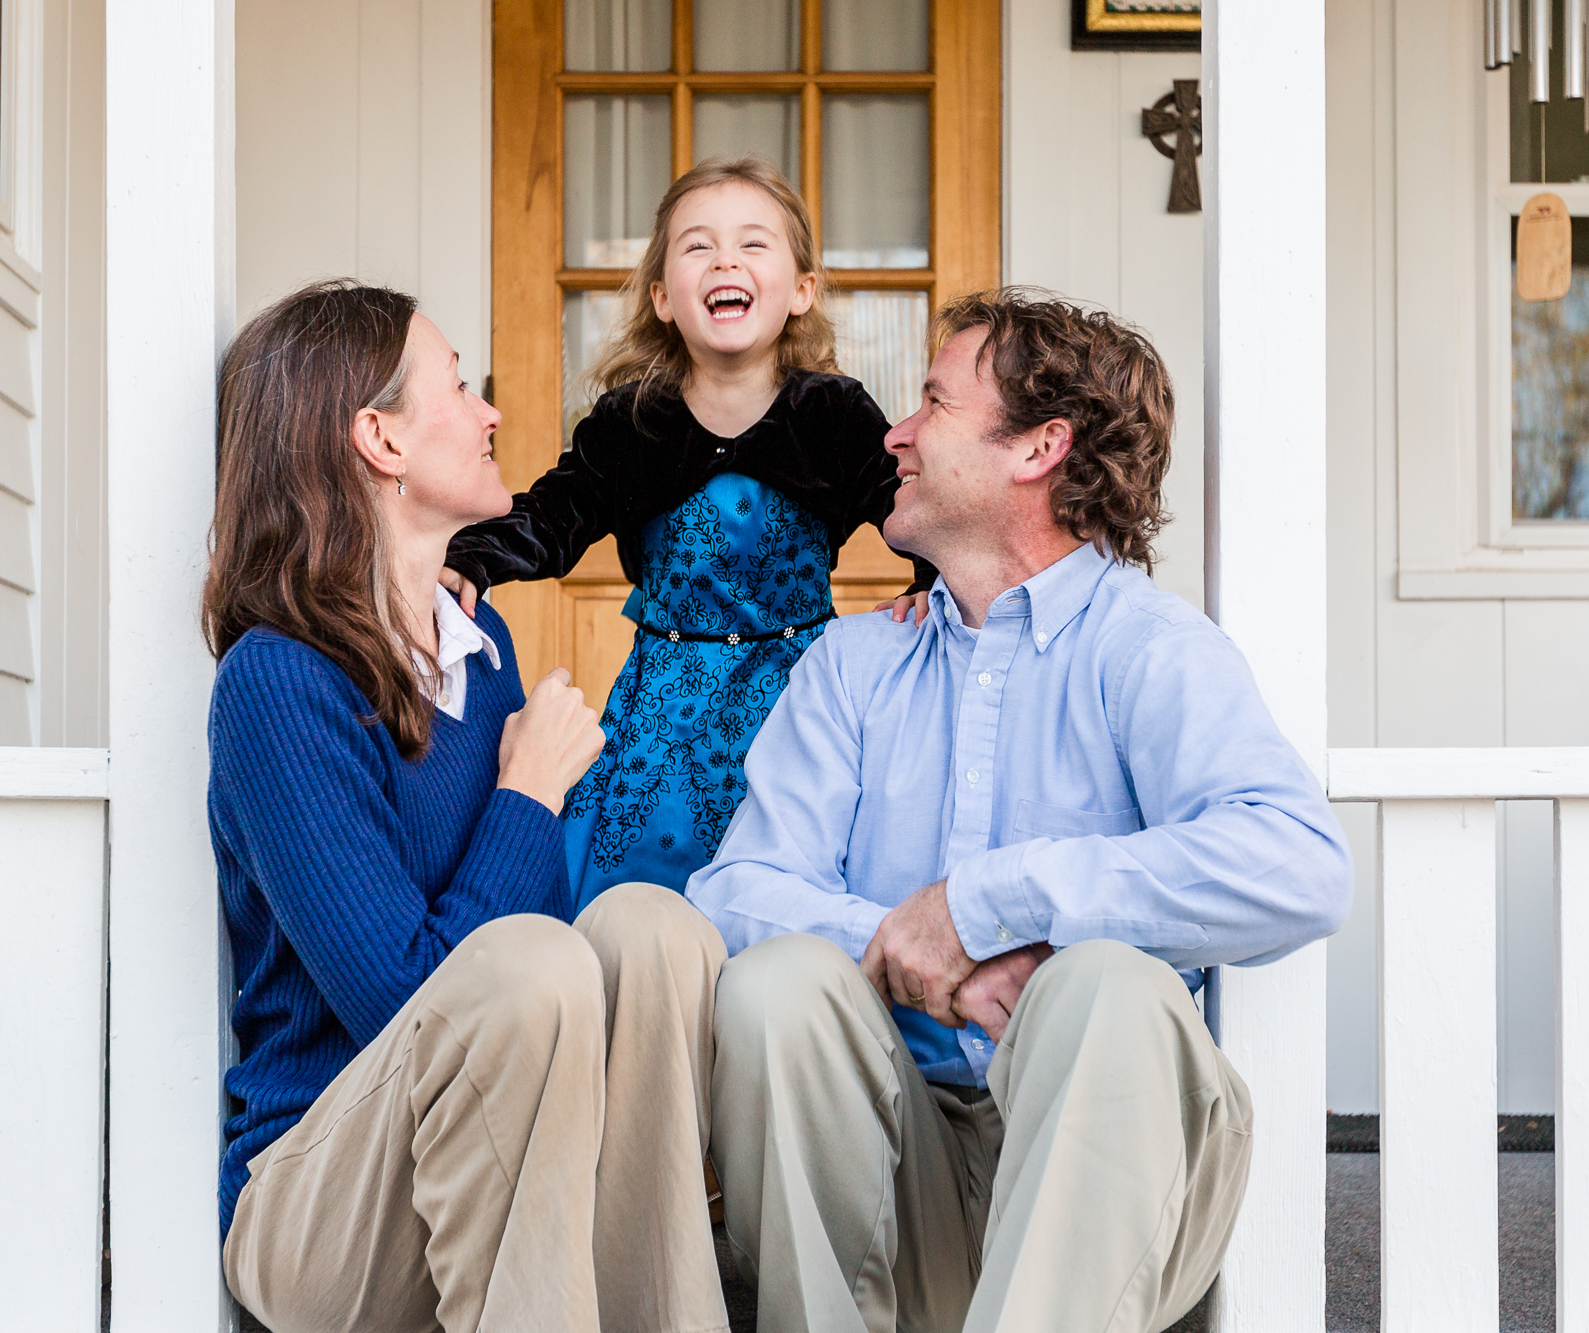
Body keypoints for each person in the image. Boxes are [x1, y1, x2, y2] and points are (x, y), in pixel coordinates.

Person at [685, 289, 1353, 1333]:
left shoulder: (1150, 648)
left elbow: (1298, 864)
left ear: (1039, 446)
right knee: (775, 985)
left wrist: (991, 902)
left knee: (1107, 986)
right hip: (887, 1161)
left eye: (932, 403)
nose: (894, 432)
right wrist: (913, 947)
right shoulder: (856, 662)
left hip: (1104, 1171)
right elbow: (732, 894)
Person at [206, 281, 729, 1333]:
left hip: (481, 1157)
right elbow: (402, 996)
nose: (492, 414)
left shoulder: (477, 654)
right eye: (458, 386)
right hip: (323, 1204)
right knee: (531, 964)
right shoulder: (280, 682)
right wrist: (528, 793)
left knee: (650, 926)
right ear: (379, 439)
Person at [442, 156, 932, 912]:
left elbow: (913, 508)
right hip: (663, 714)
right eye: (698, 245)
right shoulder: (629, 423)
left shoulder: (832, 413)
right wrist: (472, 557)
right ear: (664, 297)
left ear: (801, 290)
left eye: (754, 244)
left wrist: (933, 586)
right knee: (644, 897)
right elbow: (553, 515)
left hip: (801, 700)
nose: (726, 259)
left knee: (790, 891)